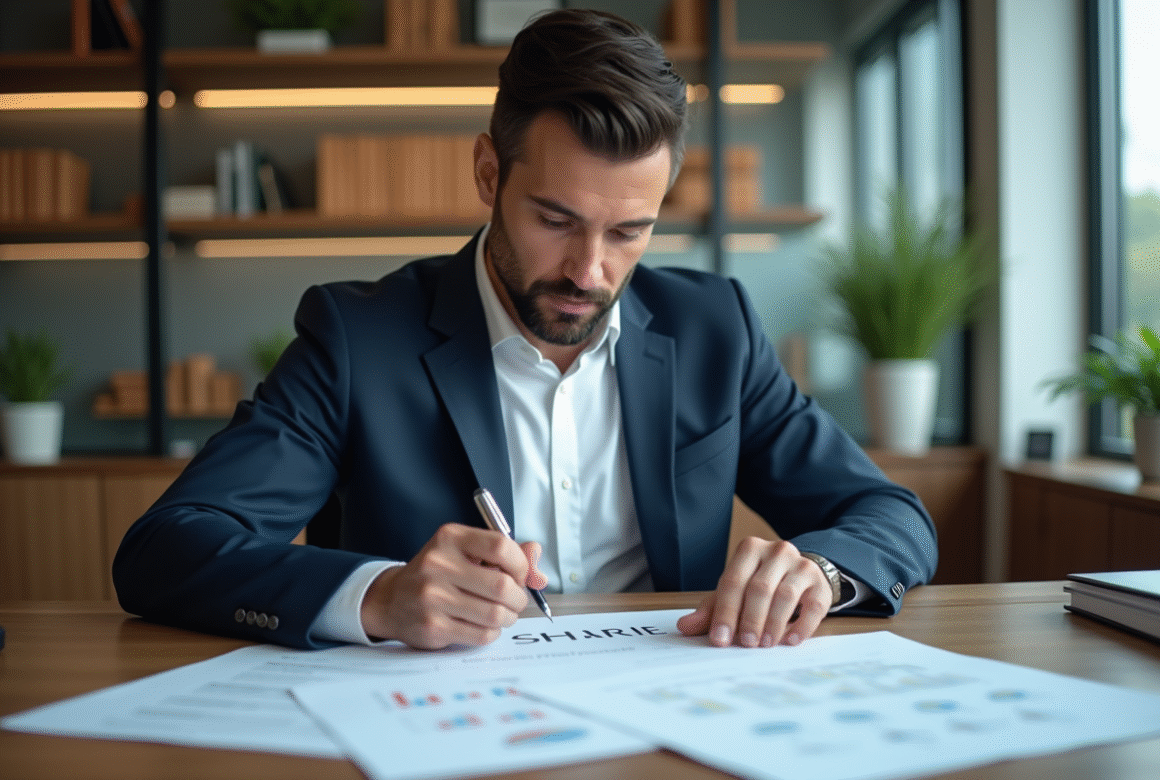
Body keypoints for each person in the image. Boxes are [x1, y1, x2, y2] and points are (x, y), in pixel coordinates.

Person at [113, 8, 937, 652]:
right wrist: (378, 596)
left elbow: (888, 515)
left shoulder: (715, 327)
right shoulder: (358, 338)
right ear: (487, 173)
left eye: (629, 233)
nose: (589, 271)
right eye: (556, 219)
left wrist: (822, 572)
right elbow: (167, 551)